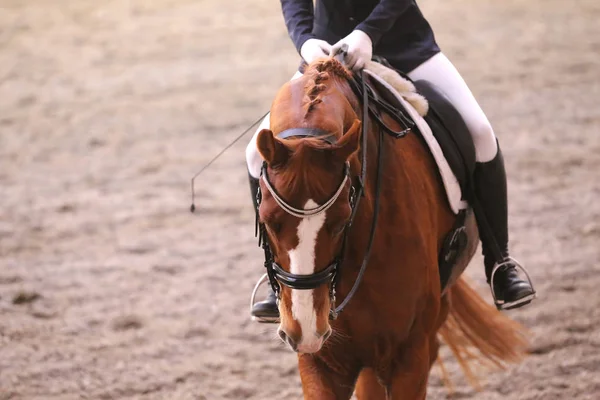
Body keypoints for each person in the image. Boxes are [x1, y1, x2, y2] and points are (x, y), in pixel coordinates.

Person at [246, 0, 535, 321]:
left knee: (480, 133)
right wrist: (305, 40)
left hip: (405, 46)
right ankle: (277, 280)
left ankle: (500, 263)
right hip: (328, 53)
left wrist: (368, 33)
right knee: (256, 153)